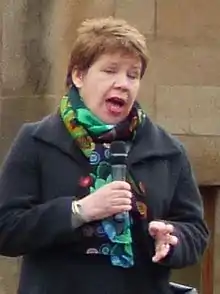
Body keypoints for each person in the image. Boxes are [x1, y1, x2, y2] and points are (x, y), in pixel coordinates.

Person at [0, 17, 208, 294]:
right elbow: (6, 228)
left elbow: (195, 230)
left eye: (133, 75)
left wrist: (173, 238)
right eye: (110, 71)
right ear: (79, 75)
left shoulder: (167, 151)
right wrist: (79, 211)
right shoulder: (38, 141)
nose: (123, 83)